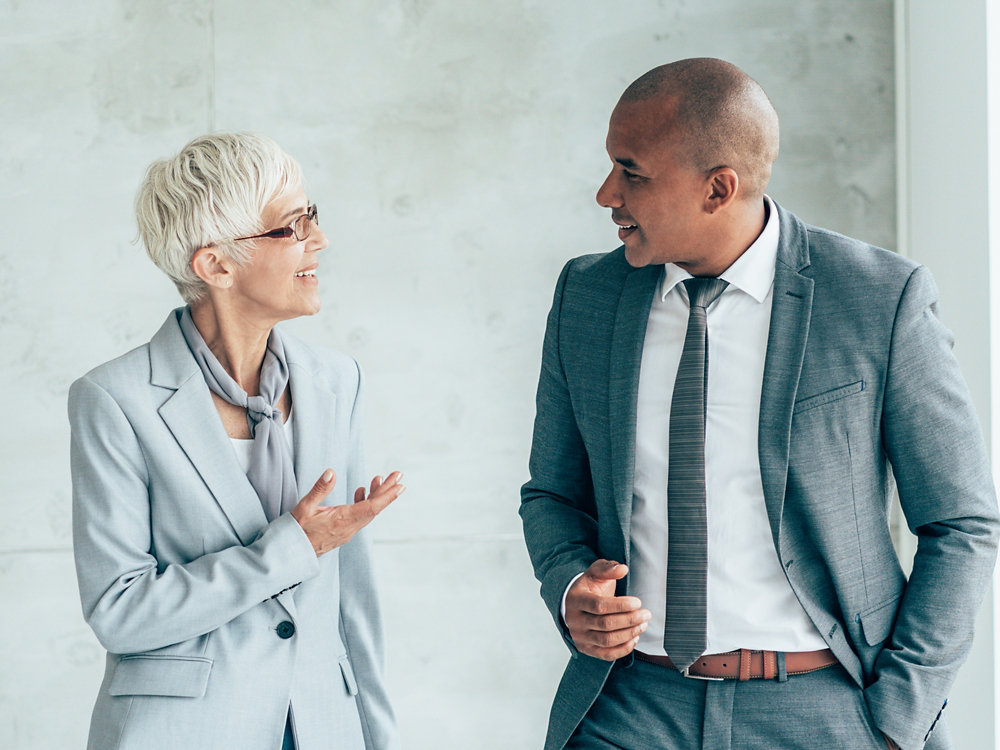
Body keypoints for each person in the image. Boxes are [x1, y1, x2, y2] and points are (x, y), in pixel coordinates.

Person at [520, 58, 999, 750]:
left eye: (632, 172)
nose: (606, 194)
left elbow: (961, 521)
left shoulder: (876, 301)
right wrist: (572, 592)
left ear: (719, 188)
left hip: (824, 711)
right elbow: (551, 494)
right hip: (630, 709)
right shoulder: (587, 297)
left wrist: (898, 717)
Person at [69, 133, 403, 750]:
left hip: (323, 726)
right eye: (291, 227)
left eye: (313, 217)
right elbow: (121, 612)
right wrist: (290, 548)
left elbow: (352, 599)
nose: (318, 241)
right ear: (215, 264)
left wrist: (377, 738)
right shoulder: (115, 400)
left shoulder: (335, 381)